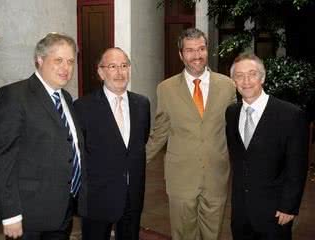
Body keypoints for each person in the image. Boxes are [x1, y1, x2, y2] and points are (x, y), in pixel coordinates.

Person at [146, 28, 236, 240]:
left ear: (207, 50)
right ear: (180, 54)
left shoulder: (228, 86)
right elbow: (160, 132)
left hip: (216, 176)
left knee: (212, 235)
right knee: (183, 235)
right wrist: (135, 162)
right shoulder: (165, 89)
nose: (197, 55)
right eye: (190, 50)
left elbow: (235, 130)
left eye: (201, 49)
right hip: (181, 178)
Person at [0, 32, 85, 239]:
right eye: (58, 60)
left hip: (62, 211)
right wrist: (10, 215)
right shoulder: (14, 96)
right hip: (29, 217)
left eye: (71, 61)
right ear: (39, 60)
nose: (66, 68)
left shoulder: (66, 98)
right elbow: (2, 159)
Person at [226, 53, 309, 240]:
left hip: (275, 213)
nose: (246, 80)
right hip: (240, 213)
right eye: (239, 75)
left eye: (252, 74)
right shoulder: (231, 113)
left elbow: (297, 166)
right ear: (233, 81)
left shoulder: (290, 115)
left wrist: (289, 206)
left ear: (262, 77)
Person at [74, 47, 150, 240]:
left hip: (132, 196)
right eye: (113, 66)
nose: (120, 72)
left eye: (124, 66)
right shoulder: (83, 107)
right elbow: (79, 154)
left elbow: (139, 144)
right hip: (98, 198)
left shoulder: (142, 104)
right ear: (101, 72)